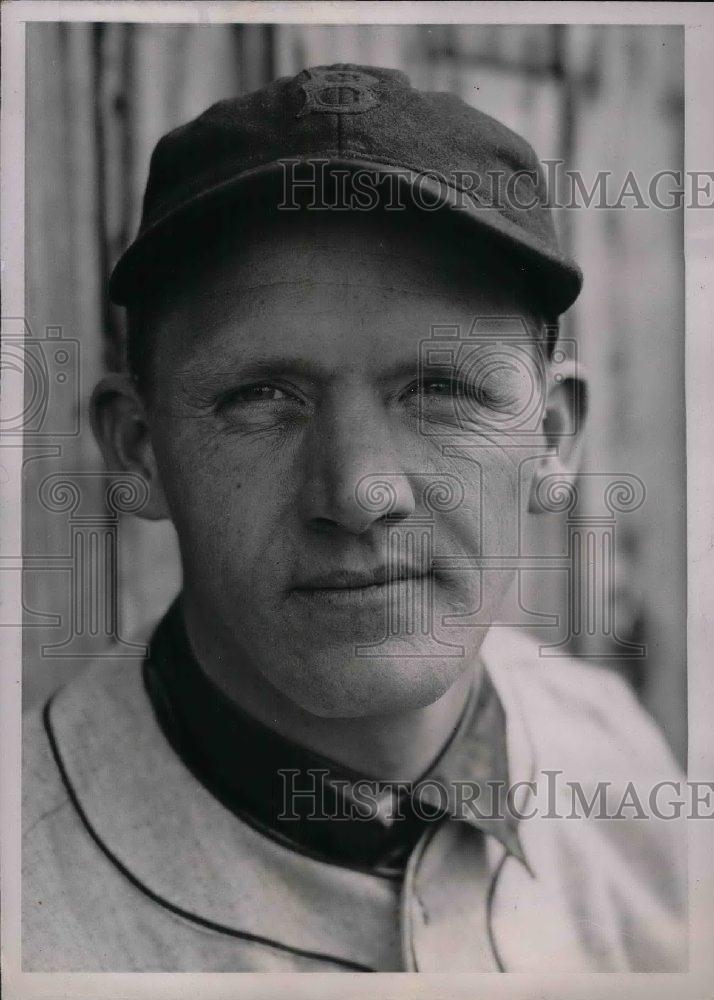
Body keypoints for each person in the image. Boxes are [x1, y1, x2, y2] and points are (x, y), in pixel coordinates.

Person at [22, 64, 685, 972]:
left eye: (441, 390)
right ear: (140, 449)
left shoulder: (616, 761)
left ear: (552, 437)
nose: (359, 493)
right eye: (261, 396)